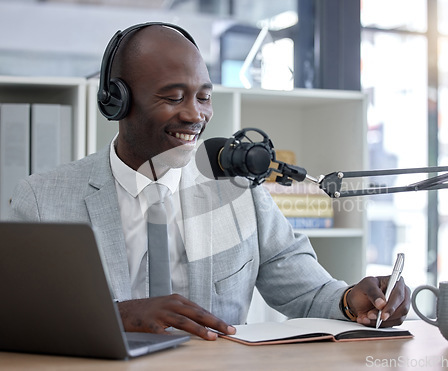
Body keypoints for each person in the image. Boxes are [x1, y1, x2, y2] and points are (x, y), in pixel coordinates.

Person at [9, 23, 410, 341]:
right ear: (118, 103)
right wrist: (118, 316)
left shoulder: (238, 191)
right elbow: (17, 315)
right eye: (173, 97)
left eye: (203, 97)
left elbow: (306, 292)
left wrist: (352, 300)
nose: (195, 115)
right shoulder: (43, 200)